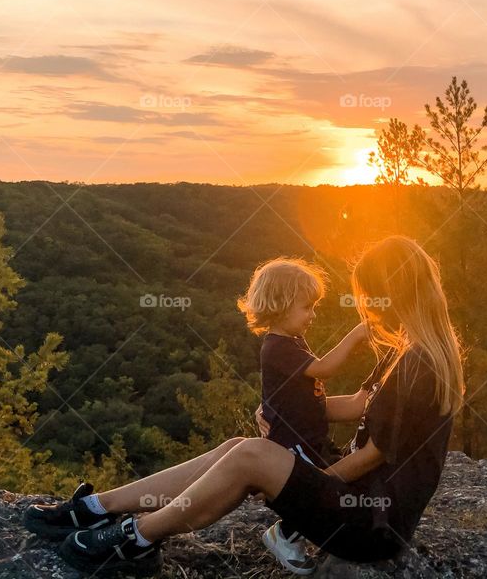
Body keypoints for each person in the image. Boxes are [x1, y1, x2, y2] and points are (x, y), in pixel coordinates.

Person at [25, 236, 463, 577]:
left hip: (371, 526)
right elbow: (356, 406)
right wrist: (287, 412)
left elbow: (373, 455)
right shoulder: (404, 351)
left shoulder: (419, 365)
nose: (367, 307)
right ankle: (97, 507)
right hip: (358, 503)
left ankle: (136, 540)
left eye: (371, 294)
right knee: (242, 445)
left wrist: (298, 483)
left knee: (253, 456)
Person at [237, 257, 369, 574]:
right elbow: (323, 369)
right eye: (306, 307)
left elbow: (303, 393)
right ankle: (285, 534)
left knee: (336, 484)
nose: (312, 315)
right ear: (281, 305)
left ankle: (294, 531)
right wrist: (357, 334)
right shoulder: (277, 346)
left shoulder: (292, 340)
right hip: (294, 442)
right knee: (314, 490)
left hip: (309, 437)